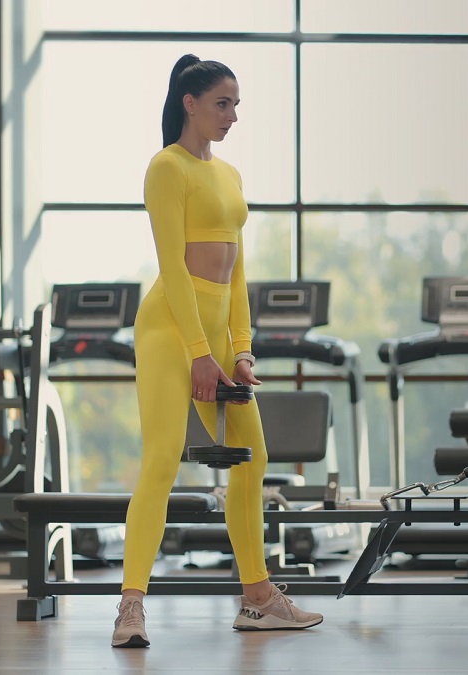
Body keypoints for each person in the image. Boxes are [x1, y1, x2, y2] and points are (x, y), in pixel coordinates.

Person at [111, 54, 324, 648]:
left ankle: (258, 598)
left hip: (217, 338)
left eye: (236, 105)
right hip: (167, 330)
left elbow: (235, 272)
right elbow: (174, 270)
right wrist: (199, 351)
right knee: (159, 462)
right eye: (222, 104)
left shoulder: (228, 175)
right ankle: (131, 607)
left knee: (252, 459)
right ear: (191, 104)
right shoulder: (165, 167)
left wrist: (242, 350)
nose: (232, 116)